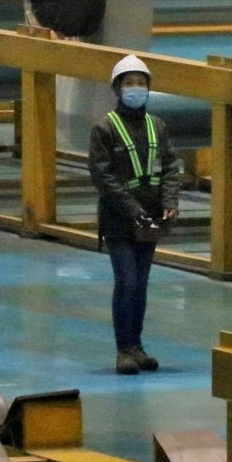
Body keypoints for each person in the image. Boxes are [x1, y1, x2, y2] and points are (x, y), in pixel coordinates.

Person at [89, 55, 181, 374]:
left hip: (150, 221)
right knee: (126, 281)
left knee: (141, 283)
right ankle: (123, 349)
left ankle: (137, 346)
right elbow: (104, 177)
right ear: (118, 88)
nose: (136, 89)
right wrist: (133, 210)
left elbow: (170, 167)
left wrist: (169, 202)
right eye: (129, 83)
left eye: (141, 83)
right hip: (119, 222)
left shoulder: (158, 127)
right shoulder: (104, 129)